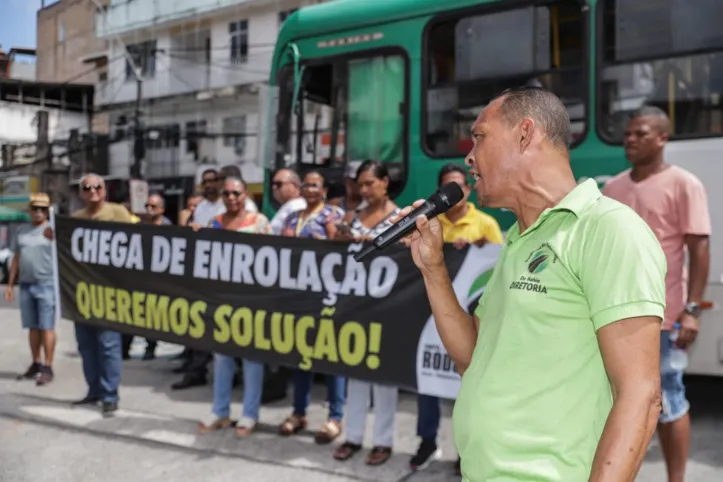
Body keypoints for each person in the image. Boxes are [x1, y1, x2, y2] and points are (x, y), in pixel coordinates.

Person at [394, 87, 666, 481]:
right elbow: (472, 357)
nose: (469, 156)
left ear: (525, 135)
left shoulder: (609, 229)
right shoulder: (520, 240)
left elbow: (641, 395)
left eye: (480, 136)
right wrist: (432, 267)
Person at [603, 106, 711, 482]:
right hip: (615, 317)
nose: (629, 140)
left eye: (641, 134)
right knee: (619, 404)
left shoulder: (685, 184)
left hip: (664, 319)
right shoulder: (613, 188)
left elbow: (699, 250)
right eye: (628, 134)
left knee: (669, 404)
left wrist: (692, 310)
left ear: (663, 138)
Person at [410, 162, 504, 474]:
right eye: (447, 188)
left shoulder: (486, 224)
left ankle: (467, 452)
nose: (456, 193)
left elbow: (498, 267)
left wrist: (480, 248)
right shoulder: (429, 223)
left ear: (467, 190)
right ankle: (427, 441)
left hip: (470, 321)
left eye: (460, 187)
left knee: (468, 387)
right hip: (431, 317)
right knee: (429, 381)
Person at [332, 160, 400, 466]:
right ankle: (354, 436)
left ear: (385, 182)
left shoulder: (401, 217)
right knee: (356, 375)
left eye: (370, 183)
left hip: (387, 307)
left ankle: (383, 441)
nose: (364, 189)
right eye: (360, 184)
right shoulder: (353, 216)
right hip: (356, 306)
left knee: (385, 379)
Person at [196, 177, 272, 437]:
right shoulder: (214, 224)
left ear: (244, 195)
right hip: (223, 301)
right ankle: (221, 411)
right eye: (226, 194)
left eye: (236, 193)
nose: (231, 198)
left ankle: (249, 414)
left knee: (252, 357)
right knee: (222, 356)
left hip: (252, 300)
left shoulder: (260, 222)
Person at [279, 170, 346, 444]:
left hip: (327, 294)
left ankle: (335, 416)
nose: (310, 189)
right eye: (306, 184)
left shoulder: (333, 215)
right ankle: (299, 412)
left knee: (331, 356)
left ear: (324, 190)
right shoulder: (293, 217)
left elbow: (341, 246)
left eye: (315, 185)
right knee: (301, 357)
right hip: (299, 296)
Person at [71, 174, 132, 415]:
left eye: (97, 187)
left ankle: (109, 394)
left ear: (105, 191)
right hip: (81, 294)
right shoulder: (75, 220)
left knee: (108, 345)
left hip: (110, 293)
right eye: (87, 187)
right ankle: (93, 390)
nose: (92, 191)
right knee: (86, 346)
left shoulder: (118, 213)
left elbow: (135, 244)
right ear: (81, 193)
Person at [5, 193, 56, 386]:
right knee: (32, 327)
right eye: (35, 208)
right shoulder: (22, 231)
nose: (38, 212)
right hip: (26, 285)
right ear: (29, 210)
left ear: (47, 212)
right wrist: (10, 285)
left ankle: (48, 366)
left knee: (47, 327)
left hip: (47, 284)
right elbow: (17, 258)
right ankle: (36, 362)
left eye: (42, 209)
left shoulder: (52, 230)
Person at [269, 168, 306, 235]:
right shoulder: (290, 204)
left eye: (278, 184)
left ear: (294, 185)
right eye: (273, 184)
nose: (274, 187)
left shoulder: (297, 205)